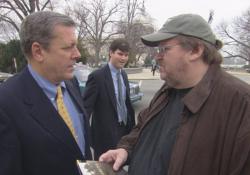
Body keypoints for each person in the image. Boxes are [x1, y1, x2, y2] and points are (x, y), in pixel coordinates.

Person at [99, 14, 250, 175]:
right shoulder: (169, 88)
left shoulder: (240, 104)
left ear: (195, 50)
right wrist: (125, 150)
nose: (157, 57)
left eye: (164, 49)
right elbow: (142, 127)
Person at [0, 11, 92, 175]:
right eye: (68, 47)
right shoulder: (6, 103)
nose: (77, 54)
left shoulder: (71, 83)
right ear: (38, 52)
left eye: (76, 46)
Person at [83, 38, 135, 160]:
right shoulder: (97, 77)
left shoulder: (123, 74)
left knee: (119, 167)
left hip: (124, 132)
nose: (123, 58)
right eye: (120, 54)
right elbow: (86, 109)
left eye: (126, 55)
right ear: (111, 53)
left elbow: (126, 103)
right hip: (104, 136)